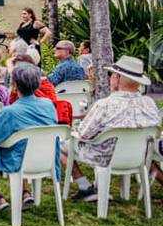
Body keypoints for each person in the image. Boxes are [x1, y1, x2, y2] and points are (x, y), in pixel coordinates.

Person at [62, 55, 161, 201]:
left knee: (61, 146)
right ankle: (94, 187)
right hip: (139, 156)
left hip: (106, 156)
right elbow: (154, 130)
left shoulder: (105, 105)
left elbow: (84, 134)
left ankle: (85, 187)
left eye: (111, 74)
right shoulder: (149, 103)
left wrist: (76, 130)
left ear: (117, 77)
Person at [0, 62, 58, 211]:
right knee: (20, 146)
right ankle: (24, 192)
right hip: (46, 159)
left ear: (15, 86)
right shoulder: (49, 105)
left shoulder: (10, 112)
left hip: (17, 161)